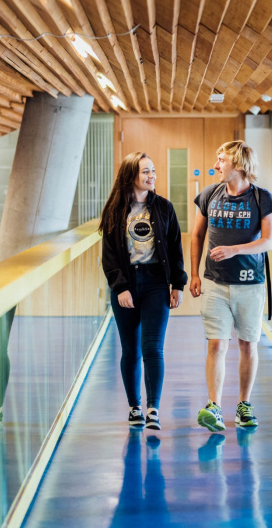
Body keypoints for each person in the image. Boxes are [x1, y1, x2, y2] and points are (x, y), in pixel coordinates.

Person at [190, 140, 272, 432]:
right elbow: (196, 236)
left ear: (239, 164)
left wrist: (235, 250)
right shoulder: (209, 195)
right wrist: (194, 274)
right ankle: (214, 406)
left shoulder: (262, 199)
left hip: (250, 285)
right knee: (216, 343)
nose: (216, 165)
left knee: (247, 344)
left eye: (221, 159)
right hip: (215, 283)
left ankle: (243, 404)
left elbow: (268, 242)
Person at [101, 152, 186, 430]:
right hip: (126, 285)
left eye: (153, 171)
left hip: (156, 284)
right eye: (146, 172)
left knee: (153, 348)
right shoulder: (115, 209)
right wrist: (121, 287)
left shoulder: (163, 208)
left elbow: (175, 248)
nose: (152, 176)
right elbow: (110, 255)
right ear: (131, 177)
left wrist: (178, 284)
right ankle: (134, 407)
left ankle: (153, 409)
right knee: (130, 350)